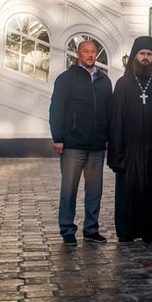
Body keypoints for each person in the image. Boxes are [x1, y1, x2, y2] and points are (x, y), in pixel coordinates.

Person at [108, 36, 152, 242]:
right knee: (128, 192)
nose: (145, 58)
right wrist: (117, 153)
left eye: (149, 54)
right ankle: (127, 231)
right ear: (134, 56)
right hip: (129, 151)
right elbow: (115, 120)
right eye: (142, 54)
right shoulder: (123, 84)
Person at [48, 39, 111, 245]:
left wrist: (108, 137)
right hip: (72, 145)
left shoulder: (104, 81)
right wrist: (58, 138)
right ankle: (67, 229)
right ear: (78, 54)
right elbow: (56, 109)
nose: (90, 55)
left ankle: (91, 229)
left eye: (93, 52)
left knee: (94, 191)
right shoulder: (66, 78)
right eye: (86, 51)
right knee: (69, 190)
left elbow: (109, 111)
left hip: (97, 146)